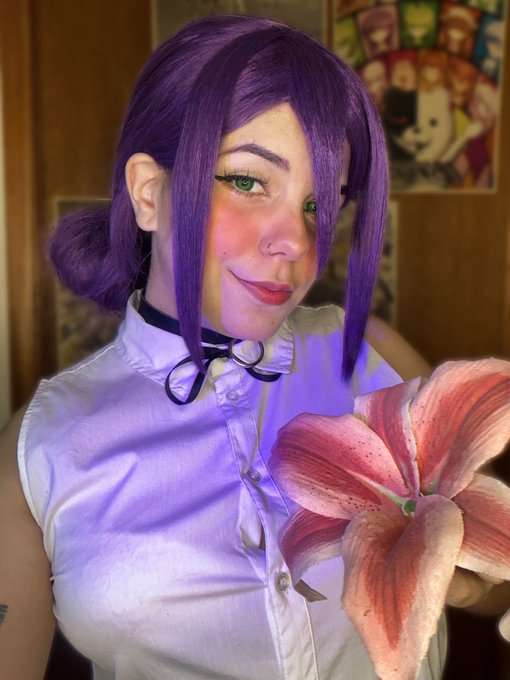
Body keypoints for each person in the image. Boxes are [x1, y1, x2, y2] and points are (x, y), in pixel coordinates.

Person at [1, 15, 509, 680]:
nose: (296, 243)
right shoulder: (42, 445)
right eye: (246, 180)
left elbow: (495, 580)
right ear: (149, 193)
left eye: (319, 205)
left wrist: (466, 585)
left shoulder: (372, 359)